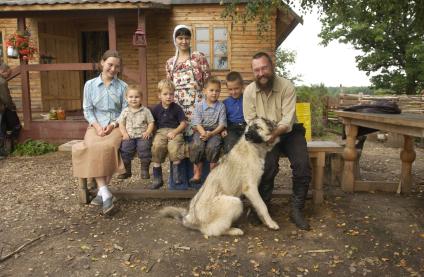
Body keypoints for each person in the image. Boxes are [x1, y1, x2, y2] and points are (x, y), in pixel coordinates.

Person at [243, 52, 312, 230]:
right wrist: (265, 136)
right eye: (256, 70)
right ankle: (262, 207)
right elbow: (250, 120)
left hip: (289, 131)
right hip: (264, 134)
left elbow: (287, 121)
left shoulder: (287, 86)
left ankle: (296, 210)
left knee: (302, 165)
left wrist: (273, 135)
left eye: (264, 68)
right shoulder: (249, 91)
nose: (261, 73)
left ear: (272, 67)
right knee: (267, 165)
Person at [72, 50, 127, 215]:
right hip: (95, 126)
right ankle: (106, 193)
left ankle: (102, 193)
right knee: (91, 146)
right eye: (110, 64)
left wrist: (112, 125)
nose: (113, 69)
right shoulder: (89, 85)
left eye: (116, 66)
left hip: (116, 127)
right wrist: (96, 127)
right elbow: (87, 110)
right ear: (102, 63)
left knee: (109, 147)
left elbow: (125, 110)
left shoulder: (123, 86)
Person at [166, 24, 211, 189]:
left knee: (197, 142)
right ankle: (179, 184)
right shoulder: (170, 63)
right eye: (180, 38)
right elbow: (169, 88)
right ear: (175, 40)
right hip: (177, 109)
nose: (183, 41)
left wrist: (207, 106)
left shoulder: (198, 57)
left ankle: (200, 182)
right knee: (178, 141)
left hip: (197, 106)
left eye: (186, 37)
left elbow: (207, 82)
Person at [150, 79, 187, 189]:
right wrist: (152, 133)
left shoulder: (177, 108)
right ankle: (158, 178)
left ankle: (176, 175)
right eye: (165, 94)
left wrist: (175, 132)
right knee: (157, 146)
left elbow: (183, 124)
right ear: (159, 95)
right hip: (161, 132)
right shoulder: (156, 109)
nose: (168, 96)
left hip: (175, 131)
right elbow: (152, 123)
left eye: (171, 94)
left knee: (174, 147)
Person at [189, 77, 226, 184]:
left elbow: (222, 124)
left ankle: (213, 173)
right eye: (211, 90)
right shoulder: (199, 106)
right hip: (200, 131)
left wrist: (212, 134)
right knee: (197, 145)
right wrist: (203, 133)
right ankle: (197, 173)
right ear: (205, 91)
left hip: (215, 132)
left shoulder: (221, 106)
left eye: (217, 91)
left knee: (213, 146)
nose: (214, 93)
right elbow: (197, 123)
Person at [117, 85, 154, 180]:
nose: (134, 99)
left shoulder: (146, 111)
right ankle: (127, 171)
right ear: (126, 98)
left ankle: (144, 170)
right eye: (131, 97)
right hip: (129, 136)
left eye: (136, 97)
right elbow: (121, 124)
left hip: (143, 136)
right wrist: (124, 134)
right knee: (125, 150)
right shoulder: (125, 111)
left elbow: (151, 122)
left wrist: (148, 131)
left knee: (145, 149)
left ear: (141, 98)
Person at [222, 71, 246, 154]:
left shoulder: (247, 100)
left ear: (242, 86)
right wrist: (223, 129)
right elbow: (223, 118)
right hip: (231, 128)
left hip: (246, 127)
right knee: (230, 145)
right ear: (227, 88)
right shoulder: (225, 103)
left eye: (236, 88)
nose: (233, 92)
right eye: (230, 89)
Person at [0, 63, 17, 159]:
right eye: (8, 74)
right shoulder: (2, 82)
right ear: (3, 71)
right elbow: (6, 98)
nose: (9, 76)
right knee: (0, 129)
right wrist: (12, 107)